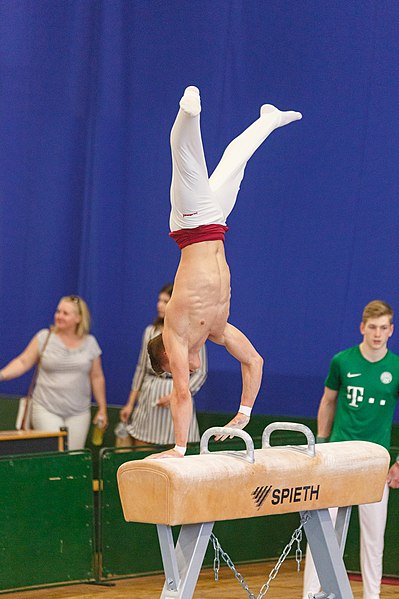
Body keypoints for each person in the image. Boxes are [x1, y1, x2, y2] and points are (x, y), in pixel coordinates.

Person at [147, 85, 302, 458]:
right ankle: (268, 119)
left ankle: (189, 112)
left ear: (167, 359)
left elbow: (182, 392)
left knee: (185, 158)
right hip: (215, 223)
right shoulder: (217, 330)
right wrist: (244, 413)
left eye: (170, 370)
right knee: (236, 162)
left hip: (188, 224)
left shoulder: (175, 335)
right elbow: (254, 361)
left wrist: (180, 448)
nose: (179, 372)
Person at [302, 300, 399, 599]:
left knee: (373, 540)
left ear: (391, 330)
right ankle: (310, 595)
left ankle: (372, 596)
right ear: (362, 327)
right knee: (320, 533)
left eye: (384, 328)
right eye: (372, 327)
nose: (378, 334)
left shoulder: (396, 368)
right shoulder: (342, 361)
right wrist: (319, 443)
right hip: (337, 460)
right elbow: (328, 401)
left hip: (375, 463)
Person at [0, 295, 108, 450]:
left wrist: (102, 409)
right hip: (46, 408)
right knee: (56, 454)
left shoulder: (90, 343)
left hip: (79, 412)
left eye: (65, 313)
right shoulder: (44, 337)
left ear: (78, 318)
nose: (59, 316)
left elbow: (97, 377)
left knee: (73, 456)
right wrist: (2, 374)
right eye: (58, 311)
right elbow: (23, 361)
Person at [120, 283, 207, 446]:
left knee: (177, 448)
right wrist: (130, 404)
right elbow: (141, 368)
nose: (160, 305)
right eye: (159, 300)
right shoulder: (150, 331)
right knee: (142, 447)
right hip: (149, 397)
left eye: (166, 301)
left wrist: (177, 395)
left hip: (177, 396)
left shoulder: (192, 332)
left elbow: (200, 373)